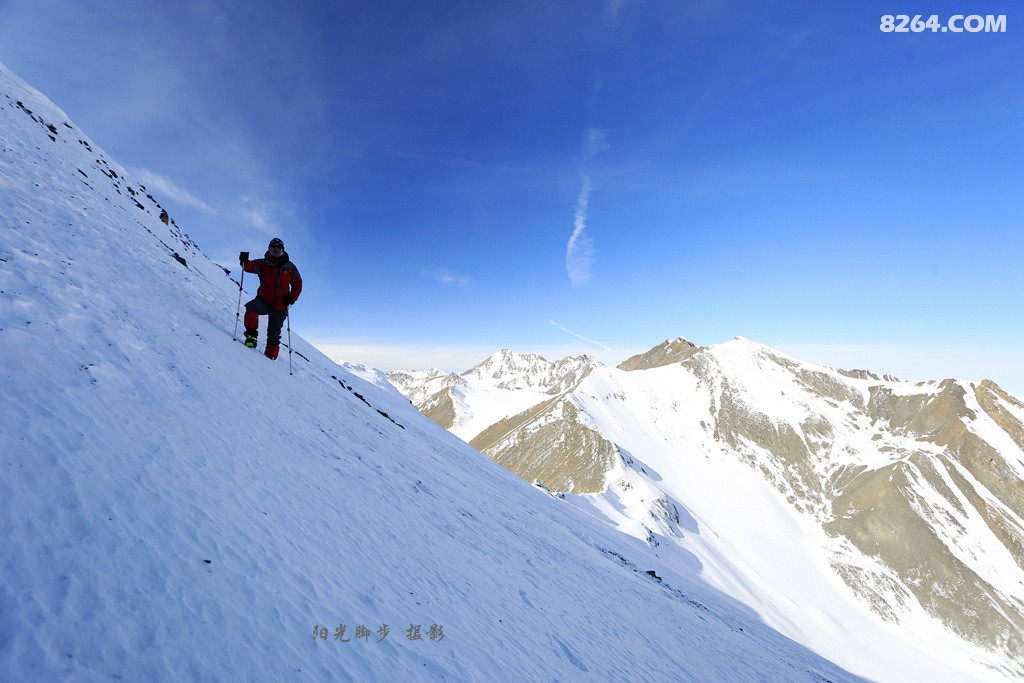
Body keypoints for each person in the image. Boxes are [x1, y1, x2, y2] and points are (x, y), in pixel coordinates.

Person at [238, 237, 302, 360]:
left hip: (281, 305)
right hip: (264, 301)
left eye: (279, 247)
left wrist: (292, 298)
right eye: (274, 246)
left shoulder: (290, 267)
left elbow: (298, 283)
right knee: (251, 307)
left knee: (274, 334)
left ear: (283, 249)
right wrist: (244, 261)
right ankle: (251, 337)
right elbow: (250, 267)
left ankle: (270, 359)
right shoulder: (263, 263)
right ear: (269, 248)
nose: (276, 249)